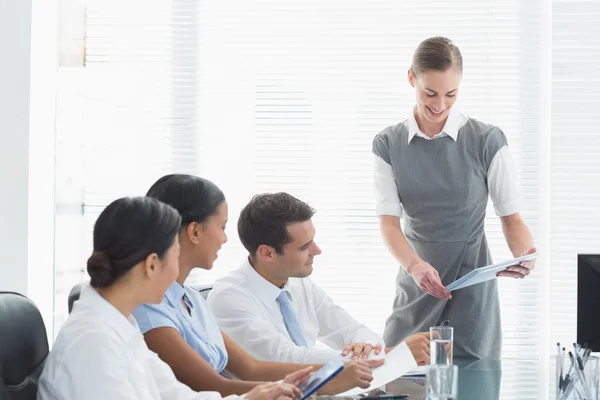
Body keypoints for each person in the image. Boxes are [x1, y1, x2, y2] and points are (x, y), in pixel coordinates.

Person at [133, 174, 380, 397]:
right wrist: (327, 378)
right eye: (222, 227)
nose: (226, 238)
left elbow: (252, 367)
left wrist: (330, 373)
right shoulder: (150, 306)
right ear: (195, 232)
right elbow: (211, 385)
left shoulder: (193, 300)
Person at [38, 196, 304, 400]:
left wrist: (252, 396)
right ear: (152, 265)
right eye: (176, 257)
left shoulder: (120, 324)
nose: (178, 273)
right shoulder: (93, 341)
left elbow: (177, 396)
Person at [372, 36, 537, 359]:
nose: (440, 104)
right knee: (399, 378)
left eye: (451, 94)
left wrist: (524, 256)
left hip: (472, 287)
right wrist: (415, 266)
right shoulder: (388, 144)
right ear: (411, 79)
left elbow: (512, 218)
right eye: (429, 93)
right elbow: (389, 224)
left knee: (471, 382)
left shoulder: (487, 140)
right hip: (417, 280)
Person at [208, 192, 431, 366]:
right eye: (304, 246)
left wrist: (367, 348)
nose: (317, 251)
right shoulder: (229, 297)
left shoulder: (298, 283)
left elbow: (352, 330)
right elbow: (287, 359)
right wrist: (391, 355)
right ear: (267, 253)